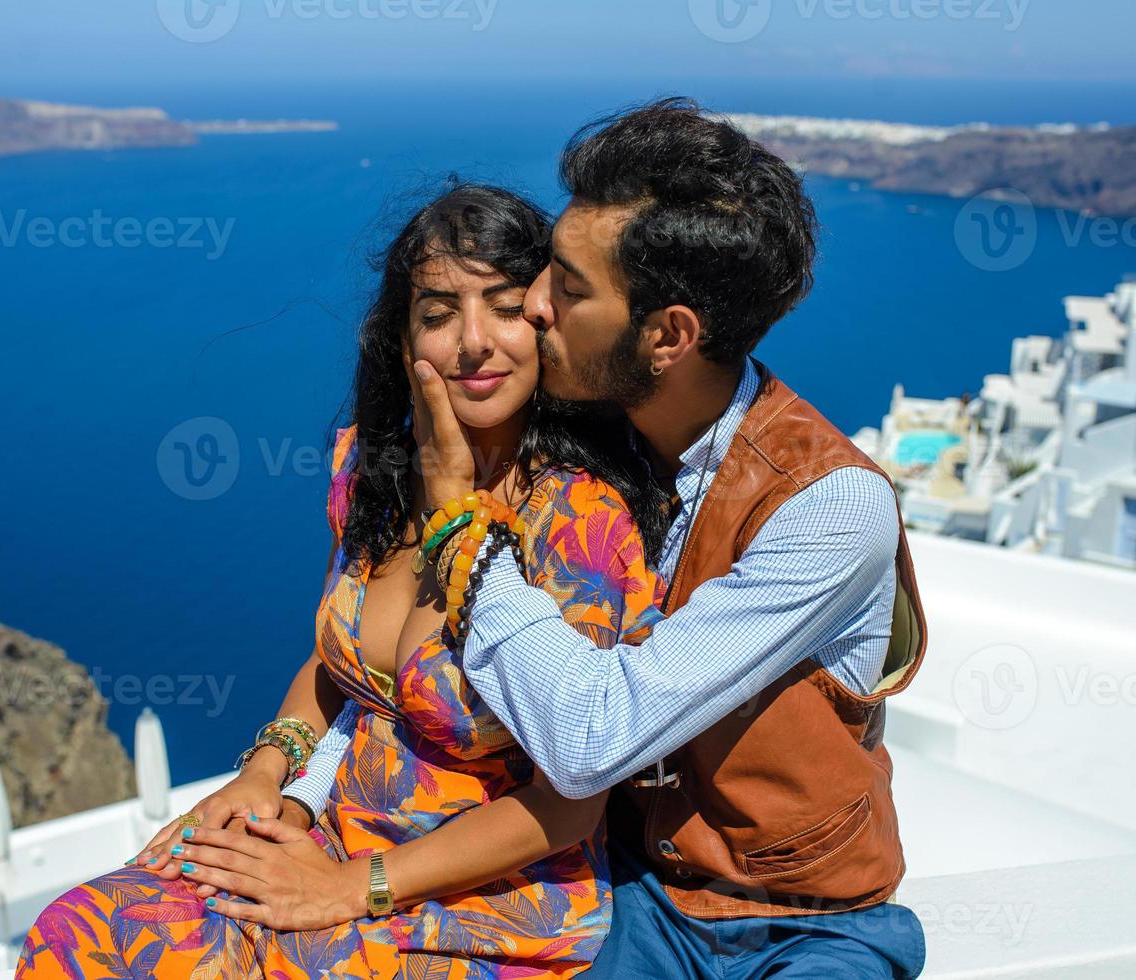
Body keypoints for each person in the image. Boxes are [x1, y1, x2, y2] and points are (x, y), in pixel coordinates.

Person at [304, 99, 932, 978]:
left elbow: (596, 735)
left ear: (668, 336)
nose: (534, 304)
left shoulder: (826, 508)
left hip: (802, 925)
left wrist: (457, 525)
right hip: (632, 897)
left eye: (568, 284)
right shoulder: (599, 443)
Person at [13, 184, 673, 979]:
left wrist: (350, 888)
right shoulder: (370, 468)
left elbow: (572, 804)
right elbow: (339, 673)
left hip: (484, 903)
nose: (473, 342)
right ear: (402, 343)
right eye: (437, 314)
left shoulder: (577, 520)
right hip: (327, 842)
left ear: (546, 325)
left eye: (504, 308)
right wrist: (262, 778)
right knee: (82, 933)